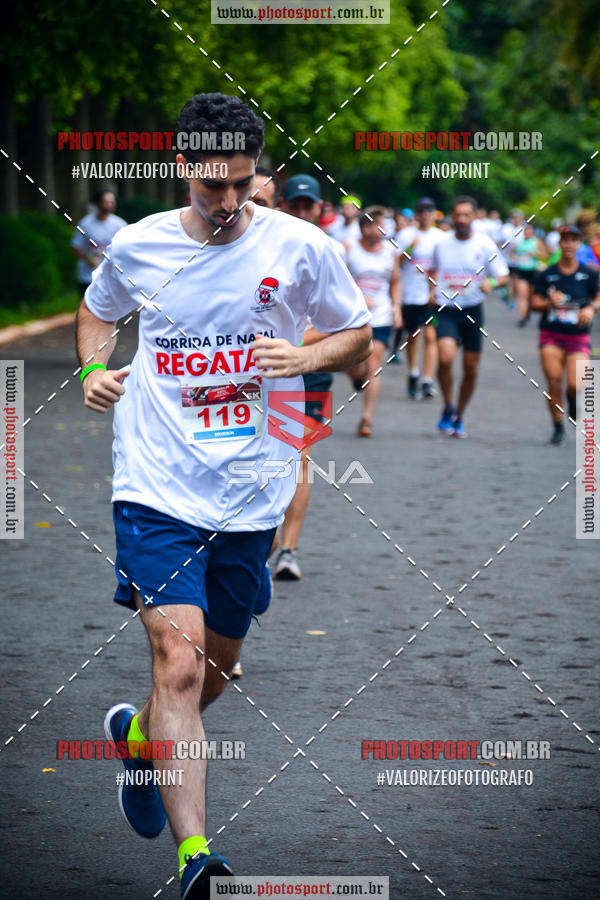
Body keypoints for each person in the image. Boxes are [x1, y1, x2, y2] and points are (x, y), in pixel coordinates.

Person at [76, 92, 371, 898]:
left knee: (217, 671)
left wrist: (307, 360)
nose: (231, 202)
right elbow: (97, 314)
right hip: (155, 486)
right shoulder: (137, 247)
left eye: (244, 184)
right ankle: (196, 855)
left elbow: (358, 333)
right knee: (177, 662)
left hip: (251, 491)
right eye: (214, 188)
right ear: (183, 171)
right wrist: (96, 370)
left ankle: (138, 736)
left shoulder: (302, 246)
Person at [273, 173, 344, 580]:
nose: (301, 212)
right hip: (253, 374)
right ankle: (256, 542)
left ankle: (288, 548)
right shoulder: (266, 247)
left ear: (320, 208)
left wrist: (294, 347)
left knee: (298, 460)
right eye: (294, 205)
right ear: (284, 205)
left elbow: (346, 324)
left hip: (308, 374)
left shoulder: (330, 250)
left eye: (308, 205)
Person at [428, 196, 509, 438]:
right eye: (458, 215)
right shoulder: (441, 243)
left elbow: (503, 275)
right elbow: (431, 269)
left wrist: (492, 283)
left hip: (473, 311)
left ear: (474, 217)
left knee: (471, 368)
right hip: (446, 309)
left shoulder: (484, 244)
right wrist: (430, 290)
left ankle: (459, 414)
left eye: (466, 215)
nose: (461, 220)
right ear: (452, 216)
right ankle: (448, 405)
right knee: (445, 357)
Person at [531, 224, 600, 445]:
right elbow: (535, 303)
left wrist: (591, 308)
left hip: (578, 336)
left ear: (578, 244)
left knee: (575, 384)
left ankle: (571, 400)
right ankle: (558, 427)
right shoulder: (547, 274)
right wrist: (548, 302)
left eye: (573, 239)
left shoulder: (589, 274)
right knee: (553, 380)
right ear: (559, 243)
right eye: (565, 239)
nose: (569, 243)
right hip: (551, 334)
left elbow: (598, 297)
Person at [346, 205, 401, 436]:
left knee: (373, 364)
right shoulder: (348, 249)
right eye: (380, 225)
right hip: (352, 317)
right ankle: (356, 376)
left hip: (381, 317)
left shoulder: (391, 252)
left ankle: (367, 419)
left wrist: (396, 307)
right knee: (353, 365)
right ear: (366, 228)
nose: (384, 230)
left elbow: (395, 281)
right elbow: (336, 281)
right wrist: (358, 298)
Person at [396, 197, 443, 398]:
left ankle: (427, 380)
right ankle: (413, 372)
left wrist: (435, 290)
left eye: (429, 210)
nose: (425, 214)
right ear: (416, 213)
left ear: (434, 214)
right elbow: (394, 264)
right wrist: (409, 249)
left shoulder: (440, 237)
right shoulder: (406, 235)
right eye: (422, 210)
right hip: (410, 293)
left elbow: (441, 266)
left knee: (432, 335)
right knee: (413, 335)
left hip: (431, 296)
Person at [70, 189, 126, 297]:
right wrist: (89, 259)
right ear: (97, 203)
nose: (110, 205)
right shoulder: (85, 224)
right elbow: (75, 247)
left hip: (112, 277)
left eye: (112, 201)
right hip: (88, 276)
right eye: (106, 202)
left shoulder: (120, 224)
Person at [511, 222, 546, 326]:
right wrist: (515, 258)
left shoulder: (537, 242)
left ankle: (528, 313)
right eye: (525, 230)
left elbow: (544, 255)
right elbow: (511, 253)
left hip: (533, 271)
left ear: (533, 232)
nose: (527, 232)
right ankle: (522, 318)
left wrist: (535, 254)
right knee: (522, 296)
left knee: (531, 296)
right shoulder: (519, 243)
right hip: (522, 271)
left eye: (529, 230)